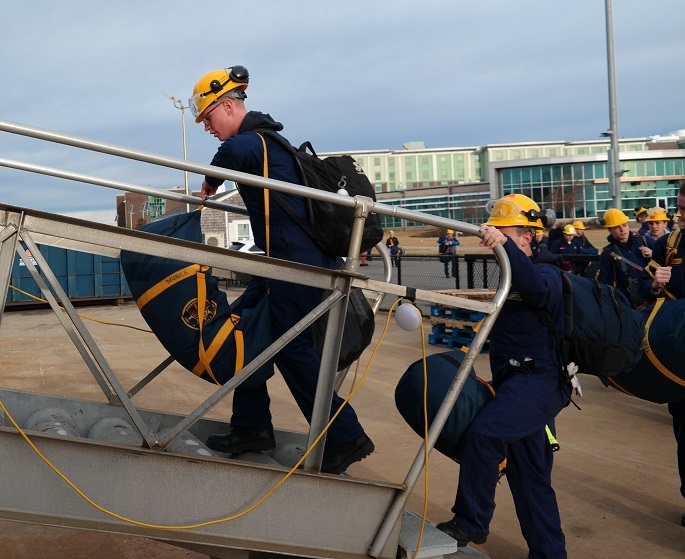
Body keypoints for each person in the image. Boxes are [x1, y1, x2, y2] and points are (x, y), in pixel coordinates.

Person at [190, 65, 373, 474]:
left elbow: (234, 154)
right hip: (282, 266)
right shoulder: (269, 142)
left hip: (297, 266)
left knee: (292, 349)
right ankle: (251, 428)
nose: (206, 128)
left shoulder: (257, 141)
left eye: (208, 118)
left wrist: (209, 181)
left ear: (227, 105)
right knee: (247, 328)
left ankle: (345, 435)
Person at [437, 193, 569, 558]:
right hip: (516, 385)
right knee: (530, 481)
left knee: (484, 435)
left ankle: (471, 521)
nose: (492, 236)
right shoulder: (512, 275)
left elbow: (538, 290)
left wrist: (506, 247)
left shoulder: (549, 273)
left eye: (503, 231)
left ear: (528, 235)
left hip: (538, 382)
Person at [637, 182, 685, 527]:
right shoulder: (668, 243)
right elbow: (642, 286)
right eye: (682, 210)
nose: (683, 218)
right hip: (678, 353)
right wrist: (655, 284)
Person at [598, 208, 654, 305]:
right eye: (616, 227)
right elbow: (605, 285)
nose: (622, 230)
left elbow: (667, 263)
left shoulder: (645, 241)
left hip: (653, 297)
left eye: (624, 225)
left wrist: (653, 254)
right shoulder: (608, 254)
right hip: (628, 304)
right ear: (609, 229)